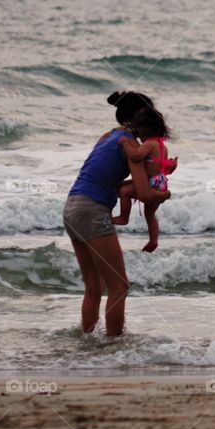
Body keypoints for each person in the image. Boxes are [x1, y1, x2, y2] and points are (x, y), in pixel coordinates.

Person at [62, 91, 170, 336]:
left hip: (72, 206)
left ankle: (87, 340)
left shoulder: (108, 136)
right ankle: (113, 348)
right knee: (119, 286)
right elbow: (144, 193)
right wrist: (165, 195)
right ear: (140, 119)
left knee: (93, 286)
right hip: (92, 209)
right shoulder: (131, 144)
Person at [111, 106, 178, 252]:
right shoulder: (162, 146)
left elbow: (136, 155)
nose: (138, 136)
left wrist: (125, 144)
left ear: (145, 130)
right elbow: (161, 167)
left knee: (124, 191)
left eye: (139, 132)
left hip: (151, 184)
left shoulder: (149, 144)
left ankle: (123, 217)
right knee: (149, 214)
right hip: (160, 183)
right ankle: (153, 240)